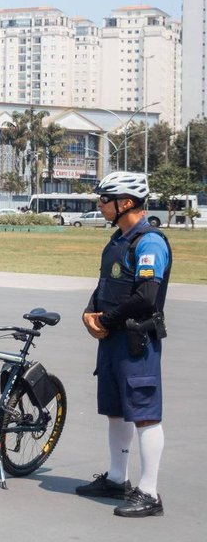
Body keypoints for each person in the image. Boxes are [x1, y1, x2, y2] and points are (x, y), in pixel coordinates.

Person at [76, 171, 169, 518]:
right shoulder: (118, 240)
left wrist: (106, 320)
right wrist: (89, 312)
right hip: (113, 341)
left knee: (144, 415)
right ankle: (118, 479)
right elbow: (104, 285)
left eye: (105, 199)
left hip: (136, 341)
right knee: (116, 411)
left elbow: (146, 296)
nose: (100, 205)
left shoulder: (149, 243)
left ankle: (149, 491)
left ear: (125, 203)